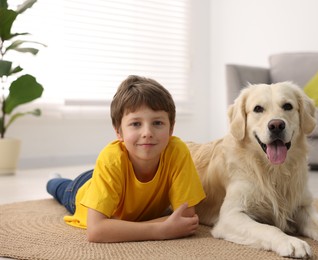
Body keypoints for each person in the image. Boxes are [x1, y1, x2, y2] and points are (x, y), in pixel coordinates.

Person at [46, 75, 206, 243]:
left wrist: (122, 228)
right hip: (83, 188)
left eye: (157, 123)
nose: (147, 133)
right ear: (119, 131)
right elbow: (97, 231)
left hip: (115, 180)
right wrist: (160, 230)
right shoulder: (111, 158)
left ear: (171, 128)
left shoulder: (178, 151)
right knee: (60, 188)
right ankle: (53, 179)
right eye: (136, 124)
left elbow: (186, 218)